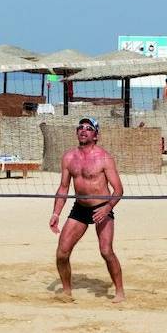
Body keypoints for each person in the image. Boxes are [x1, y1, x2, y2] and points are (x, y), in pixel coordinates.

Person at [50, 117, 125, 303]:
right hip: (80, 208)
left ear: (96, 135)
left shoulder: (104, 158)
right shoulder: (69, 157)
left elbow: (118, 190)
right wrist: (56, 213)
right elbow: (63, 187)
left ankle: (120, 292)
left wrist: (107, 207)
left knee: (106, 251)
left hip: (102, 207)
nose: (83, 130)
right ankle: (67, 292)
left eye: (89, 128)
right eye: (80, 127)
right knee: (62, 252)